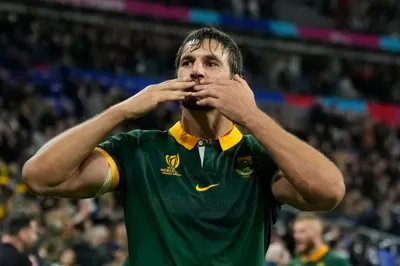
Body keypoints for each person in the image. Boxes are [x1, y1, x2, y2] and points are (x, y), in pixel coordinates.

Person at [22, 27, 345, 266]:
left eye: (211, 63)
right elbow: (40, 177)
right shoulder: (139, 149)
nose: (196, 70)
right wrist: (119, 111)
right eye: (188, 61)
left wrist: (251, 116)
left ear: (237, 82)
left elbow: (328, 191)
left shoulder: (260, 158)